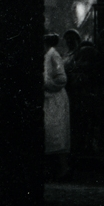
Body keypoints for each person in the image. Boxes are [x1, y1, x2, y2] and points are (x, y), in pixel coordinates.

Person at [43, 33, 71, 180]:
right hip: (48, 99)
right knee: (49, 134)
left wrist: (47, 84)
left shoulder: (53, 55)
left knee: (56, 133)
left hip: (55, 100)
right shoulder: (46, 55)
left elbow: (62, 78)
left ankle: (63, 169)